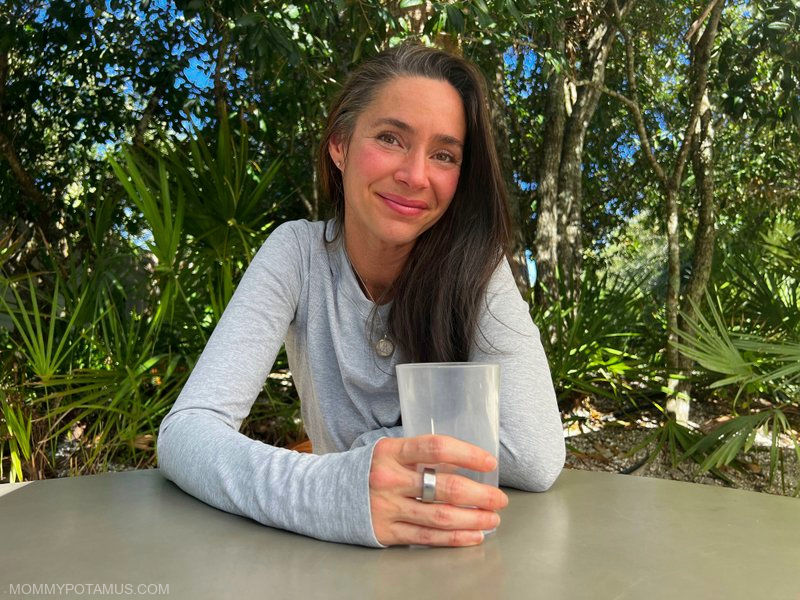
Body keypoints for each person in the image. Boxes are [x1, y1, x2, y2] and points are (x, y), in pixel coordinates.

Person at [157, 42, 565, 548]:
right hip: (329, 561)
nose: (416, 175)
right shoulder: (296, 255)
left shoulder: (480, 267)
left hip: (467, 560)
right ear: (340, 145)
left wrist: (364, 454)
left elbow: (535, 453)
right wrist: (334, 492)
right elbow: (187, 432)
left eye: (443, 154)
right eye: (391, 138)